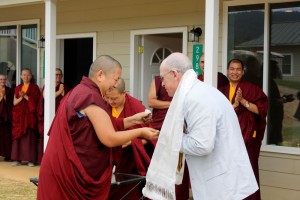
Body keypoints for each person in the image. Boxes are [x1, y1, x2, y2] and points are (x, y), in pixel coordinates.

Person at [37, 55, 159, 200]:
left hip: (60, 169)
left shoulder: (81, 91)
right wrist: (141, 131)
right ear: (100, 75)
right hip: (66, 174)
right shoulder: (89, 97)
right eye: (115, 79)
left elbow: (106, 124)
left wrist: (133, 120)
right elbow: (109, 138)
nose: (115, 84)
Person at [143, 53, 258, 200]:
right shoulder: (197, 91)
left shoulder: (196, 98)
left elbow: (202, 145)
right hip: (219, 179)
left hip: (223, 185)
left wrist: (170, 138)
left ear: (174, 74)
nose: (162, 84)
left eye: (163, 78)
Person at [219, 59, 268, 200]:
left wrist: (242, 101)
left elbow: (261, 110)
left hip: (247, 138)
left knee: (248, 171)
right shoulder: (221, 91)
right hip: (226, 139)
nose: (235, 72)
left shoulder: (252, 89)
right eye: (232, 69)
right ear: (227, 71)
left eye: (238, 69)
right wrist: (233, 105)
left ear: (243, 72)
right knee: (228, 172)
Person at [105, 78, 156, 199]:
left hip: (131, 160)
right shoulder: (103, 106)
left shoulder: (136, 107)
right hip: (108, 157)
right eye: (108, 98)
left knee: (129, 193)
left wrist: (130, 142)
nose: (111, 101)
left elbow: (150, 138)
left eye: (114, 98)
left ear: (124, 93)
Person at [148, 75, 190, 200]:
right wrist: (173, 104)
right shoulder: (157, 80)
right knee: (161, 167)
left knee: (178, 168)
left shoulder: (185, 82)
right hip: (160, 128)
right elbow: (151, 101)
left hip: (179, 128)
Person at [37, 68, 70, 163]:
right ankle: (46, 159)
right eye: (56, 75)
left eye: (60, 75)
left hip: (60, 116)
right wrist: (59, 92)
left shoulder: (65, 87)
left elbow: (68, 101)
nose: (58, 76)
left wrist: (63, 94)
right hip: (48, 116)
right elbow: (46, 97)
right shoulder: (47, 86)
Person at [11, 68, 40, 167]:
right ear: (20, 76)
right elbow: (15, 103)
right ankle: (17, 159)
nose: (26, 77)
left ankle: (31, 160)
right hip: (19, 116)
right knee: (18, 136)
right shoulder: (18, 88)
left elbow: (36, 103)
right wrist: (22, 97)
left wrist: (26, 96)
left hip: (29, 116)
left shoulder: (35, 88)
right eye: (24, 75)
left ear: (31, 76)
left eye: (28, 75)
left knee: (29, 138)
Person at [268, 60, 294, 145]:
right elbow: (271, 102)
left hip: (275, 123)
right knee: (273, 142)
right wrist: (285, 99)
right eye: (276, 69)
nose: (278, 71)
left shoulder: (271, 82)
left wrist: (284, 98)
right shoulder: (267, 83)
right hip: (271, 123)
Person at [0, 74, 14, 161]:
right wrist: (2, 96)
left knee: (6, 137)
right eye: (1, 79)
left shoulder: (10, 90)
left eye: (4, 79)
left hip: (6, 117)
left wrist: (5, 96)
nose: (2, 81)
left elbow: (11, 103)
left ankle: (7, 155)